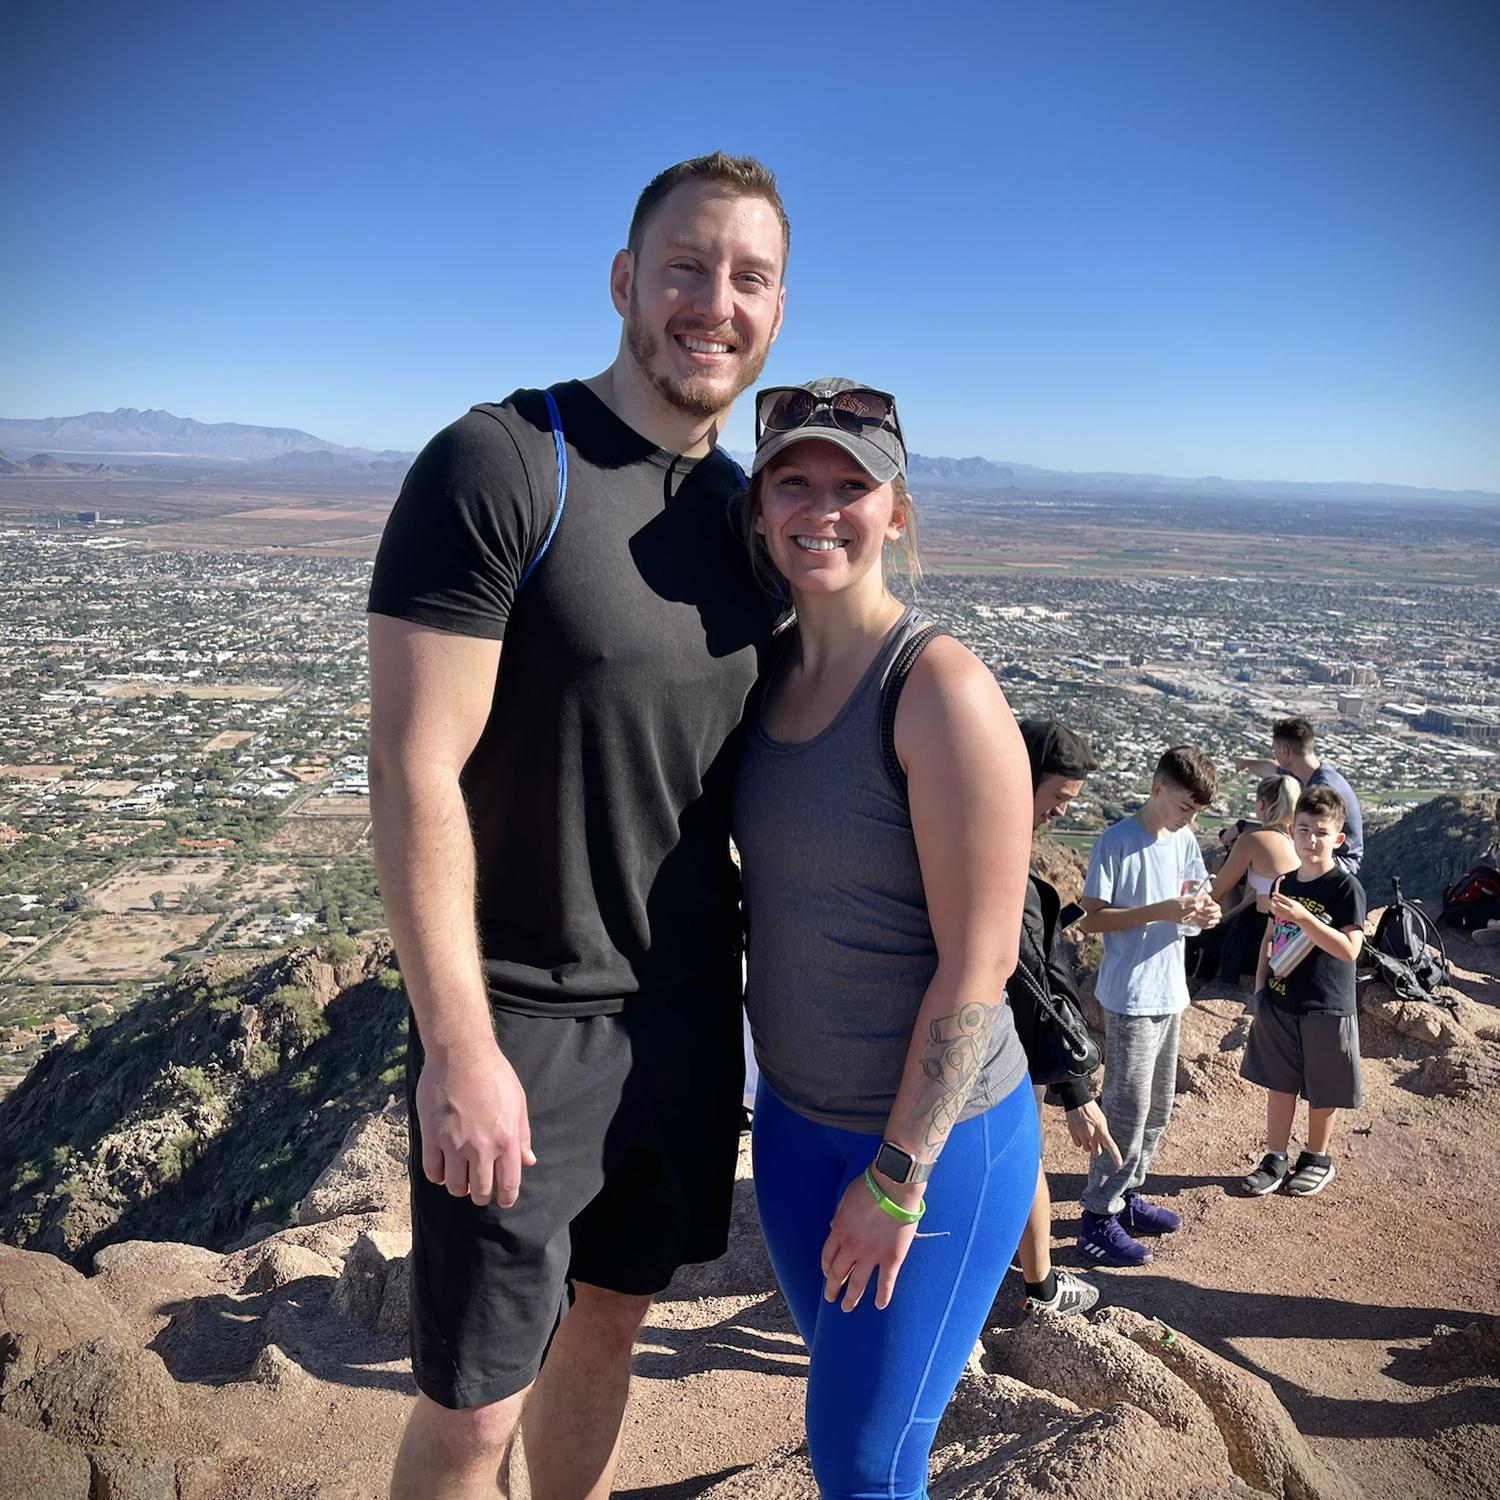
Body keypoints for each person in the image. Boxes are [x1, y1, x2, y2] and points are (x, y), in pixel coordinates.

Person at [366, 152, 788, 1500]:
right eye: (685, 266)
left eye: (749, 277)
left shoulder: (751, 522)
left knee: (609, 1324)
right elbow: (412, 768)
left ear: (776, 309)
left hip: (677, 1024)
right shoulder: (502, 463)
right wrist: (459, 1049)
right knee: (474, 1411)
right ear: (624, 280)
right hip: (521, 1022)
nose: (713, 302)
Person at [732, 378, 1039, 1499]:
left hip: (931, 1148)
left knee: (859, 1460)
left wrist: (900, 1177)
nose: (823, 508)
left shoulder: (937, 689)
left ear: (897, 511)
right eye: (793, 481)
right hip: (797, 1133)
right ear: (761, 505)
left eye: (852, 485)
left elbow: (980, 965)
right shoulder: (762, 677)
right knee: (873, 1437)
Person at [1076, 746, 1221, 1268]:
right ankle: (1097, 1217)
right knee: (1126, 1107)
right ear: (1158, 787)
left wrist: (1204, 915)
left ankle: (1127, 1194)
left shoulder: (1182, 839)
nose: (1191, 818)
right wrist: (1160, 911)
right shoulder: (1117, 841)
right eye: (1186, 805)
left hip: (1169, 990)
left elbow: (1195, 898)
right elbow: (1091, 920)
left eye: (1198, 811)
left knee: (1157, 1106)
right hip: (1131, 993)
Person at [1010, 720, 1121, 1316]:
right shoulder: (1002, 858)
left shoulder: (951, 823)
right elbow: (1032, 980)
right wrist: (1077, 1089)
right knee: (1023, 1161)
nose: (1060, 812)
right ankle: (1042, 1291)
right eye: (1057, 798)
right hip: (999, 1049)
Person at [1241, 785, 1367, 1197]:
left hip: (1326, 1003)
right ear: (1292, 831)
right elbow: (1271, 936)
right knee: (1280, 1082)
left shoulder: (1345, 889)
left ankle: (1317, 1156)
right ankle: (1275, 1155)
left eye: (1321, 833)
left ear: (1338, 838)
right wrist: (1261, 987)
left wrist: (1304, 918)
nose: (1311, 840)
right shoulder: (1284, 881)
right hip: (1280, 998)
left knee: (1322, 1085)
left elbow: (1349, 950)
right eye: (1304, 830)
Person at [1198, 776, 1303, 985]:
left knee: (1195, 937)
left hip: (1262, 940)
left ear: (1261, 803)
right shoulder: (1300, 839)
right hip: (1292, 937)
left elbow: (1217, 891)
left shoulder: (1253, 840)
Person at [1235, 717, 1363, 874]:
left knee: (1262, 850)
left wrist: (1243, 827)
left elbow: (1298, 831)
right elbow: (1272, 769)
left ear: (1285, 751)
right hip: (1318, 849)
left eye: (1276, 750)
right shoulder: (1309, 774)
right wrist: (1246, 762)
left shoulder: (1323, 789)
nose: (1275, 755)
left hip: (1337, 861)